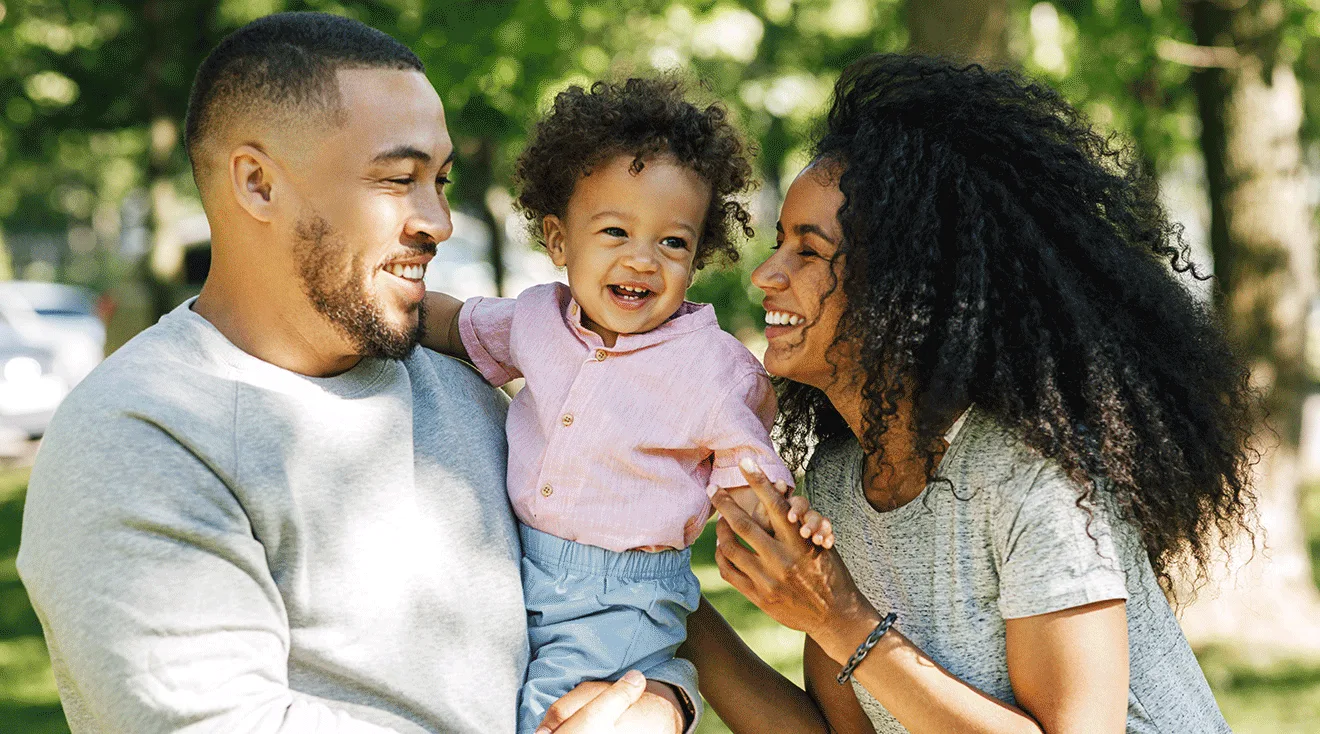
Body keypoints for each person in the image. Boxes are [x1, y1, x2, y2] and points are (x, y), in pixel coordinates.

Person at [18, 12, 696, 733]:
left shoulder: (467, 390)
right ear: (257, 185)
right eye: (399, 178)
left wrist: (658, 705)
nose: (438, 220)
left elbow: (610, 601)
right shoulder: (141, 434)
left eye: (439, 180)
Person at [682, 54, 1253, 733]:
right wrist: (666, 595)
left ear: (904, 283)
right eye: (780, 244)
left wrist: (840, 619)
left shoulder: (1034, 479)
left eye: (808, 251)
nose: (766, 276)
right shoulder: (837, 488)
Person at [417, 78, 830, 734]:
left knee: (546, 716)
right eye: (615, 231)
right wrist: (378, 302)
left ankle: (660, 697)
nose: (643, 259)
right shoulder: (535, 320)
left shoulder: (709, 366)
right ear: (558, 240)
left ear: (696, 259)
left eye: (672, 243)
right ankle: (664, 697)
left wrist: (783, 518)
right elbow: (452, 323)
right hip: (526, 566)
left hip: (621, 593)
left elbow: (748, 469)